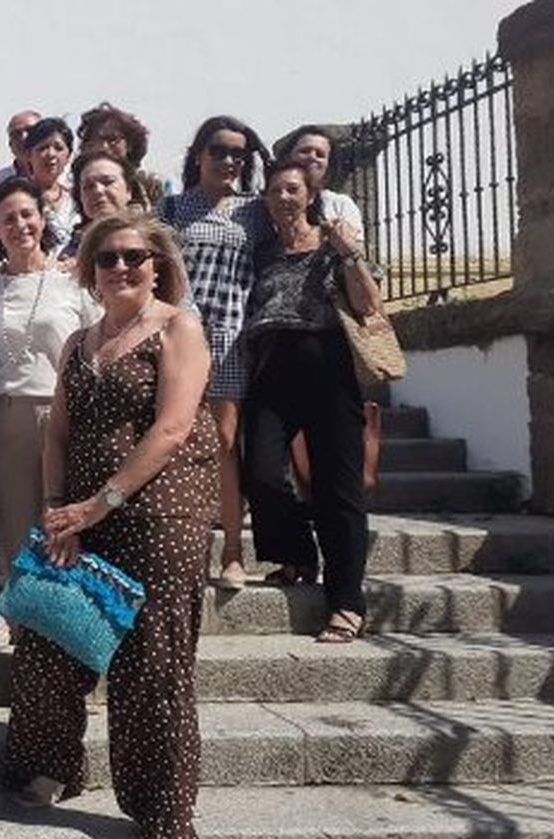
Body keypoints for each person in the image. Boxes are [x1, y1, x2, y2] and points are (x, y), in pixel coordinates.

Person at [2, 212, 219, 839]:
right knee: (46, 638)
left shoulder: (178, 328)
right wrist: (56, 512)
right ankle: (54, 763)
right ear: (90, 271)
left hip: (159, 514)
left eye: (134, 257)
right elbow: (56, 435)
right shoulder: (79, 340)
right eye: (107, 259)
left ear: (158, 265)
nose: (121, 268)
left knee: (152, 674)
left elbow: (175, 426)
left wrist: (102, 502)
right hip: (84, 517)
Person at [243, 161, 378, 643]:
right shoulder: (261, 252)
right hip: (272, 368)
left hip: (328, 368)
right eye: (275, 190)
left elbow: (368, 305)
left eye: (292, 189)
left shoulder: (333, 246)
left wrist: (350, 254)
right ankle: (298, 555)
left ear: (311, 194)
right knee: (259, 469)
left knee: (337, 490)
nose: (283, 197)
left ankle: (346, 602)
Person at [0, 178, 100, 653]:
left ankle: (65, 635)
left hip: (65, 414)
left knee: (65, 525)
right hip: (6, 418)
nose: (20, 225)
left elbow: (98, 345)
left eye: (27, 214)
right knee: (20, 527)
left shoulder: (74, 279)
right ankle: (28, 631)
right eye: (8, 219)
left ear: (43, 219)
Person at [158, 115, 272, 589]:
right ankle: (183, 546)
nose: (228, 161)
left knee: (224, 444)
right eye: (219, 151)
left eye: (237, 155)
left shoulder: (255, 211)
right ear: (199, 155)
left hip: (230, 336)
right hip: (181, 334)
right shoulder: (172, 208)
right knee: (176, 439)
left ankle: (231, 550)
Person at [277, 124, 381, 490]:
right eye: (304, 151)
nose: (312, 159)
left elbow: (355, 266)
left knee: (333, 455)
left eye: (320, 154)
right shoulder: (270, 204)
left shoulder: (341, 206)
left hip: (331, 337)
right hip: (279, 346)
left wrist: (342, 247)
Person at [61, 151, 150, 258]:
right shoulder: (71, 251)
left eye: (108, 182)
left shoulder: (151, 239)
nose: (98, 191)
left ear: (129, 190)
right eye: (89, 186)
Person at [78, 102, 165, 210]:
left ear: (130, 144)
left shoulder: (150, 185)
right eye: (96, 140)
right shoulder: (81, 185)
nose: (104, 147)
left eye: (113, 140)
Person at [22, 118, 78, 250]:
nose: (51, 154)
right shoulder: (18, 198)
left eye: (58, 148)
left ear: (69, 156)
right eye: (43, 148)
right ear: (29, 155)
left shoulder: (78, 198)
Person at [0, 109, 43, 185]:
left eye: (31, 131)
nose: (23, 138)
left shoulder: (63, 179)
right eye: (16, 134)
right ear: (10, 144)